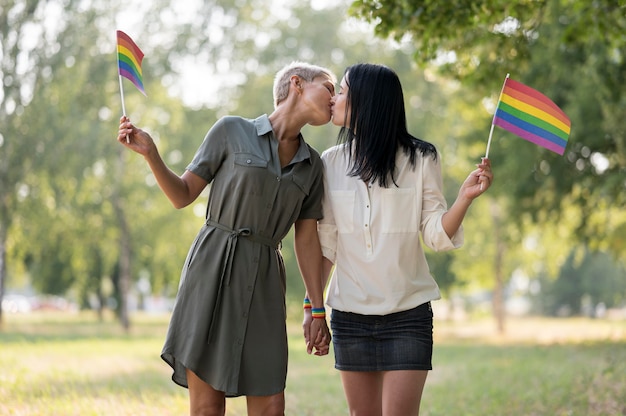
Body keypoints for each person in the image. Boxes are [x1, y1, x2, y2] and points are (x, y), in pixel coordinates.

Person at [117, 61, 336, 416]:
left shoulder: (313, 165)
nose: (335, 98)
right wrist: (152, 155)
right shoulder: (231, 131)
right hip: (212, 270)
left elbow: (307, 239)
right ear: (296, 83)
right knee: (207, 406)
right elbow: (182, 195)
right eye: (329, 87)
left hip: (265, 280)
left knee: (270, 404)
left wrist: (316, 307)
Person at [303, 63, 494, 416]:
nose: (334, 99)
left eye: (342, 91)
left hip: (408, 315)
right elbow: (326, 244)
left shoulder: (422, 158)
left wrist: (464, 198)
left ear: (367, 101)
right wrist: (312, 309)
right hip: (350, 315)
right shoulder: (329, 163)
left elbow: (435, 235)